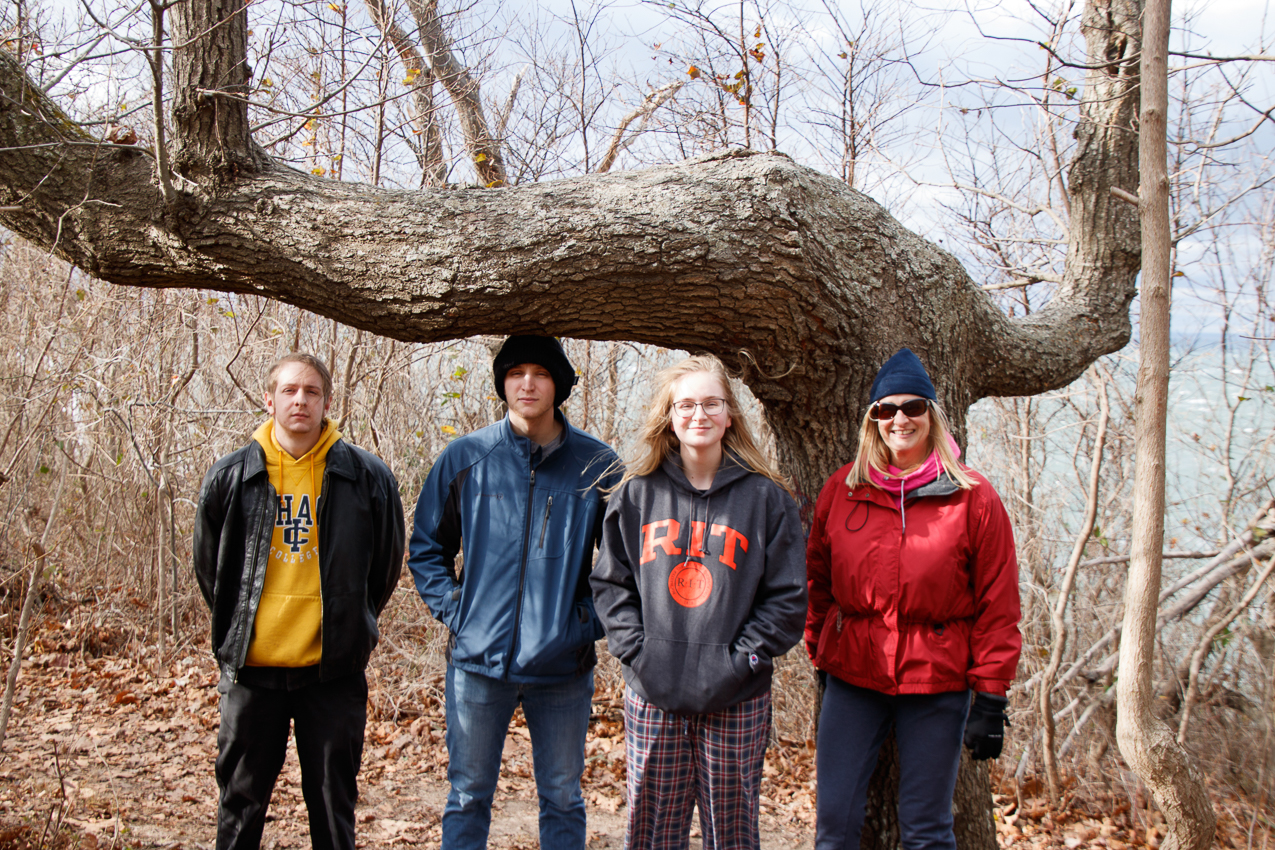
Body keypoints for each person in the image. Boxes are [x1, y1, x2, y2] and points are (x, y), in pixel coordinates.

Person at [408, 335, 620, 850]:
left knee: (563, 797)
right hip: (478, 665)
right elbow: (426, 549)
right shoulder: (465, 457)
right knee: (467, 796)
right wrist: (461, 615)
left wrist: (578, 626)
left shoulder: (598, 466)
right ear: (502, 382)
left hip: (561, 670)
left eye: (541, 373)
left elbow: (622, 570)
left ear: (560, 385)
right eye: (516, 372)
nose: (528, 383)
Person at [805, 348, 1021, 850]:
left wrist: (991, 694)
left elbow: (999, 602)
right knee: (834, 827)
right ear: (872, 420)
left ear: (932, 413)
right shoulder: (844, 489)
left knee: (926, 829)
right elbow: (818, 580)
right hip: (854, 675)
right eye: (886, 410)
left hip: (937, 680)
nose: (899, 419)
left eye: (912, 408)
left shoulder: (973, 497)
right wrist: (821, 649)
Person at [592, 354, 807, 850]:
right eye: (685, 404)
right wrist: (639, 654)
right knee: (651, 832)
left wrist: (740, 661)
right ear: (669, 415)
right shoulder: (637, 493)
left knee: (732, 834)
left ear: (730, 414)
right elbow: (611, 583)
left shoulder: (766, 499)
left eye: (712, 403)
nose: (699, 414)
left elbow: (788, 599)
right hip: (653, 692)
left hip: (736, 695)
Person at [193, 352, 405, 850]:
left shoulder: (367, 477)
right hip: (253, 673)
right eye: (289, 391)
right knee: (240, 809)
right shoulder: (231, 476)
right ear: (269, 400)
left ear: (328, 402)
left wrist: (351, 623)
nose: (300, 401)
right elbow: (213, 572)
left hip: (330, 674)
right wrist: (241, 629)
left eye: (311, 392)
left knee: (333, 814)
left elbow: (384, 567)